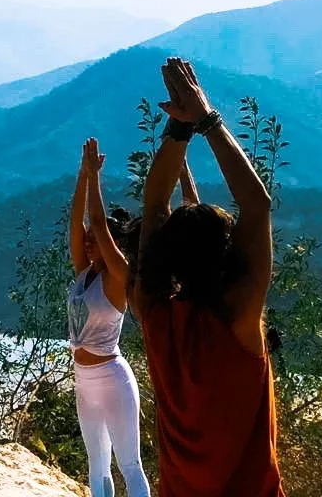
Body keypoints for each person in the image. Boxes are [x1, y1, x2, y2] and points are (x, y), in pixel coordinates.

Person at [135, 58, 283, 496]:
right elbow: (256, 206)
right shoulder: (238, 317)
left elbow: (154, 207)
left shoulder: (155, 314)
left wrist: (180, 130)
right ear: (227, 256)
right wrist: (207, 121)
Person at [68, 139, 151, 497]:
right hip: (84, 379)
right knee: (97, 464)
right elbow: (78, 221)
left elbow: (98, 224)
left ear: (112, 244)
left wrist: (96, 178)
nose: (89, 241)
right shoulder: (84, 273)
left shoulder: (119, 277)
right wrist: (83, 175)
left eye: (95, 240)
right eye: (87, 240)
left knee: (129, 464)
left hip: (113, 378)